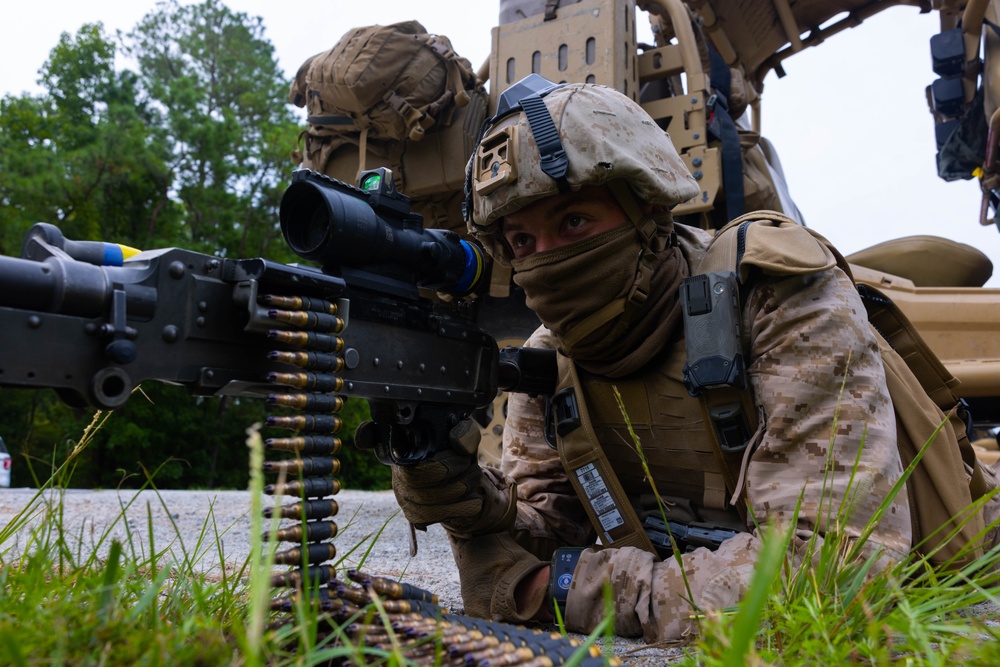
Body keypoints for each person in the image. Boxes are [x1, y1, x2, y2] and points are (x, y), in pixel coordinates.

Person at [386, 76, 987, 642]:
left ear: (650, 210)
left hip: (958, 548)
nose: (546, 259)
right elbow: (548, 531)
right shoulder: (552, 357)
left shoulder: (774, 295)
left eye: (573, 220)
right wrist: (469, 500)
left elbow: (831, 572)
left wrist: (570, 592)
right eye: (521, 242)